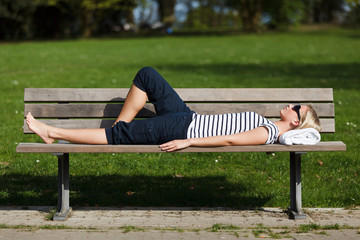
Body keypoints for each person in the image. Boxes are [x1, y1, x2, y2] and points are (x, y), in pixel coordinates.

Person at [26, 67, 321, 152]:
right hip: (186, 117)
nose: (290, 104)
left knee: (119, 138)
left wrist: (189, 141)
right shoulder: (269, 125)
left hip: (181, 130)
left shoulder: (268, 131)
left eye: (297, 107)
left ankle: (51, 132)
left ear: (296, 121)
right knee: (148, 76)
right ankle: (121, 128)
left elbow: (230, 140)